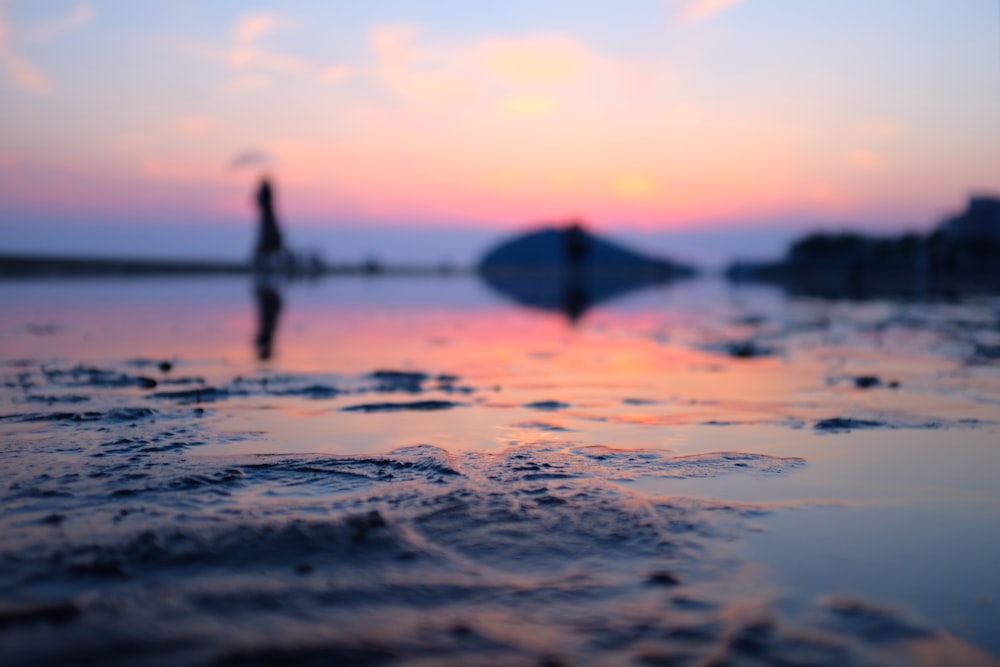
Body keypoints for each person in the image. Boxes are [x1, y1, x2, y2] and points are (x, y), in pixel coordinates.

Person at [254, 176, 285, 266]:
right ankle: (263, 262)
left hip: (268, 219)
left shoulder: (267, 194)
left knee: (270, 240)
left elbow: (259, 199)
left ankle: (274, 262)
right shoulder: (265, 195)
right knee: (266, 240)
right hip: (267, 219)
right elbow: (258, 199)